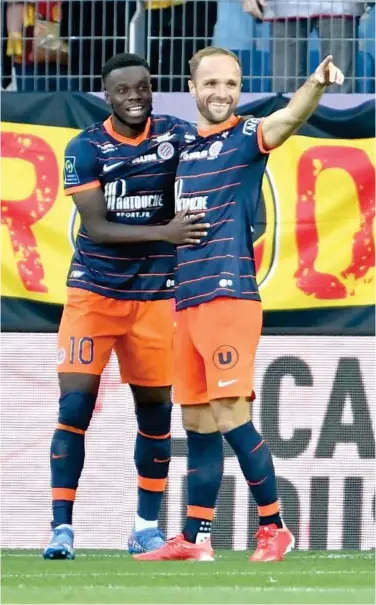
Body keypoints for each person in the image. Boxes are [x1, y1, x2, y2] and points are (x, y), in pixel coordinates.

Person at [133, 46, 344, 562]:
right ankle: (194, 538)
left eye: (230, 83)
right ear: (192, 89)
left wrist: (315, 84)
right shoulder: (180, 148)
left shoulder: (249, 136)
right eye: (211, 84)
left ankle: (274, 527)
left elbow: (289, 118)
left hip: (230, 298)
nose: (221, 92)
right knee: (198, 422)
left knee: (230, 415)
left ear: (240, 87)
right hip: (187, 301)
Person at [42, 52, 209, 560]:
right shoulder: (85, 147)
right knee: (75, 407)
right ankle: (62, 529)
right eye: (123, 90)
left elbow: (218, 161)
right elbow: (97, 228)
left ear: (153, 88)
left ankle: (145, 528)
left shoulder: (177, 136)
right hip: (94, 292)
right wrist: (166, 233)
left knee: (156, 415)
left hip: (157, 298)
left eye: (142, 87)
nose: (134, 97)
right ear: (106, 95)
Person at [243, 0, 365, 93]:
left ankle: (338, 124)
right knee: (285, 87)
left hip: (340, 5)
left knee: (338, 84)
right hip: (284, 6)